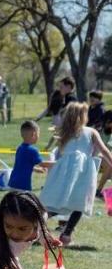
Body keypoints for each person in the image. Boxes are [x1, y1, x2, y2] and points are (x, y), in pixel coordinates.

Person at [39, 102, 112, 245]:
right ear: (82, 116)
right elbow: (104, 151)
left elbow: (59, 153)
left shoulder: (65, 133)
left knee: (57, 202)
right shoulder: (91, 132)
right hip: (84, 171)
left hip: (64, 171)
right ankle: (66, 234)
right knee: (80, 202)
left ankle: (38, 224)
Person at [37, 76, 77, 151]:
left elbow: (69, 112)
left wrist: (61, 123)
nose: (60, 88)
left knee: (62, 145)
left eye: (61, 87)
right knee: (59, 143)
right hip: (66, 127)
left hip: (69, 128)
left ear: (68, 87)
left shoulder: (71, 98)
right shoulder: (67, 97)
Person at [8, 121, 47, 192]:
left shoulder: (20, 148)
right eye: (38, 134)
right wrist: (58, 163)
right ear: (33, 134)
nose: (39, 136)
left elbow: (23, 165)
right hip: (23, 186)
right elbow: (42, 164)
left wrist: (36, 169)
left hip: (12, 183)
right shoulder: (33, 150)